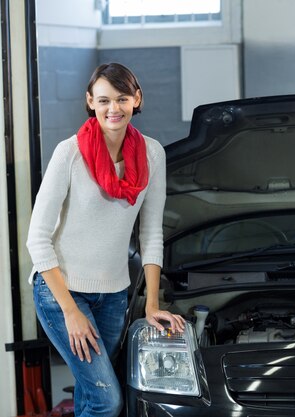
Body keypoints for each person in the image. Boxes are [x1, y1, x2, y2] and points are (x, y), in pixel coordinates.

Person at [26, 63, 185, 417]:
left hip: (113, 295)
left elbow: (151, 232)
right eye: (104, 100)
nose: (113, 108)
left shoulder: (152, 154)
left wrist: (152, 303)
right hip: (59, 292)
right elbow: (36, 240)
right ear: (90, 102)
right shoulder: (69, 153)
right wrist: (70, 311)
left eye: (122, 98)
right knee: (106, 400)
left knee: (89, 393)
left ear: (136, 99)